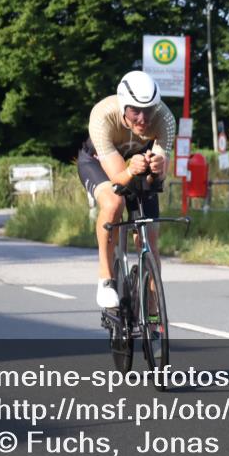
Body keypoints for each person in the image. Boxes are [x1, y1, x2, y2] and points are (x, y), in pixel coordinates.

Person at [77, 71, 174, 315]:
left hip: (137, 165)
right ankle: (105, 277)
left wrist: (157, 169)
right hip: (98, 164)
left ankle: (153, 315)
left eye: (148, 110)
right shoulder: (102, 115)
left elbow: (158, 178)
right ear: (123, 107)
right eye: (135, 111)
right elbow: (119, 177)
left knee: (149, 239)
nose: (143, 118)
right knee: (113, 202)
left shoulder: (165, 119)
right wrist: (133, 169)